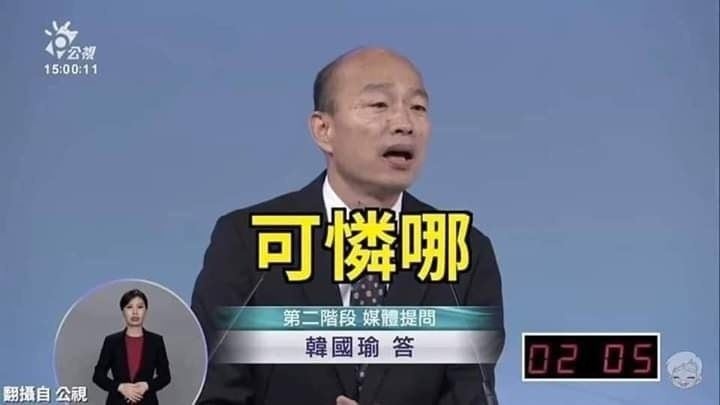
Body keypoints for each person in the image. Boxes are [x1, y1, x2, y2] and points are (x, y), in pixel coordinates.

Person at [191, 47, 504, 405]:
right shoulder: (248, 240)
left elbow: (473, 396)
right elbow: (214, 393)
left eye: (418, 107)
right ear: (324, 130)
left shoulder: (463, 250)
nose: (405, 123)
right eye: (379, 105)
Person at [93, 289, 172, 404]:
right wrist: (120, 387)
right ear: (123, 311)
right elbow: (98, 376)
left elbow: (165, 376)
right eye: (129, 307)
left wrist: (147, 385)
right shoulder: (111, 341)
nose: (135, 312)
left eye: (140, 307)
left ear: (146, 310)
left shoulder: (156, 341)